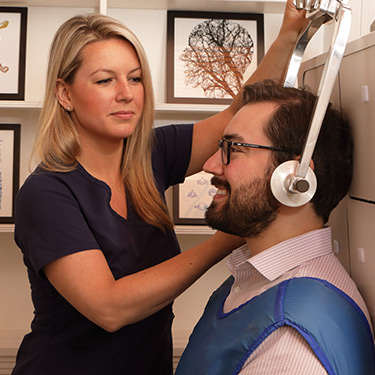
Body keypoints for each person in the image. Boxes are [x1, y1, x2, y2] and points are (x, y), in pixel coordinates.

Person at [12, 3, 307, 375]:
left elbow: (238, 118)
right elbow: (108, 307)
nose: (126, 94)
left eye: (135, 78)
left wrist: (289, 35)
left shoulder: (152, 153)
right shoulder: (46, 194)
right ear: (64, 94)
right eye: (105, 81)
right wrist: (226, 239)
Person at [175, 80, 375, 375]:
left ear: (295, 178)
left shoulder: (289, 347)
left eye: (234, 148)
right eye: (221, 146)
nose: (210, 164)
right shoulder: (255, 279)